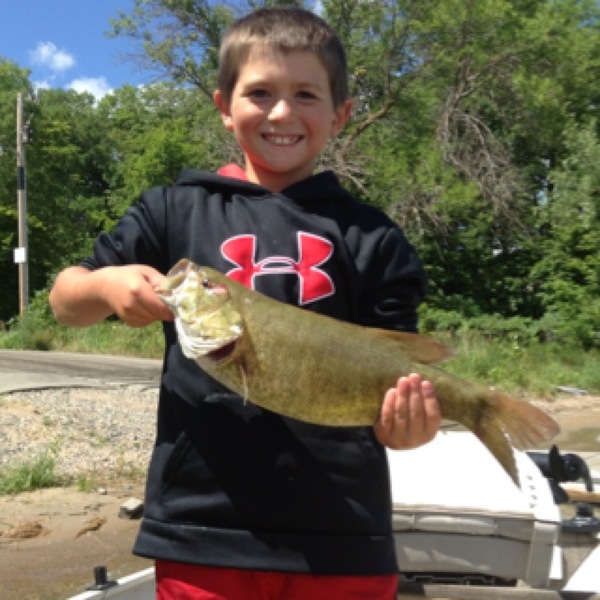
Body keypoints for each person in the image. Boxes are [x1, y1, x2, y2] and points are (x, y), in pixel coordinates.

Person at [49, 7, 440, 600]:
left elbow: (397, 374)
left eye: (305, 94)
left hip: (344, 536)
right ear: (224, 107)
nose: (282, 112)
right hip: (201, 529)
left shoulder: (374, 237)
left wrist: (409, 429)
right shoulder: (173, 209)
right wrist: (106, 286)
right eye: (260, 93)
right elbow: (64, 300)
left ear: (340, 113)